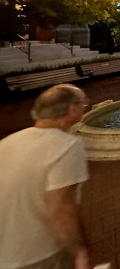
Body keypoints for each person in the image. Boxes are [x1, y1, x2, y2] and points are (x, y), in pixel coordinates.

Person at [0, 85, 90, 269]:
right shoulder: (66, 146)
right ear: (73, 109)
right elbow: (62, 209)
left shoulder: (7, 143)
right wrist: (79, 251)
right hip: (41, 254)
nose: (85, 107)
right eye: (83, 103)